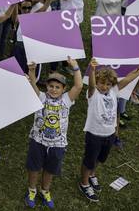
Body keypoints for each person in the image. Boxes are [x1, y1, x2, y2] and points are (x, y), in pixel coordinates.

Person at [79, 59, 139, 202]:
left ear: (112, 85)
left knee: (99, 158)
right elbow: (91, 84)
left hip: (109, 134)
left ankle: (92, 175)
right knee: (89, 160)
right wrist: (92, 70)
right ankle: (84, 183)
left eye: (108, 84)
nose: (104, 86)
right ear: (97, 82)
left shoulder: (113, 91)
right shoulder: (92, 93)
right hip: (94, 134)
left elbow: (128, 79)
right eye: (101, 83)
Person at [24, 57, 83, 209]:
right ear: (47, 87)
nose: (54, 89)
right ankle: (32, 190)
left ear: (63, 89)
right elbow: (32, 85)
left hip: (58, 144)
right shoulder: (41, 96)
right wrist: (31, 70)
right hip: (38, 140)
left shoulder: (67, 100)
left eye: (58, 87)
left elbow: (78, 86)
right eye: (51, 86)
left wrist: (75, 67)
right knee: (34, 167)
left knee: (50, 169)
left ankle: (45, 191)